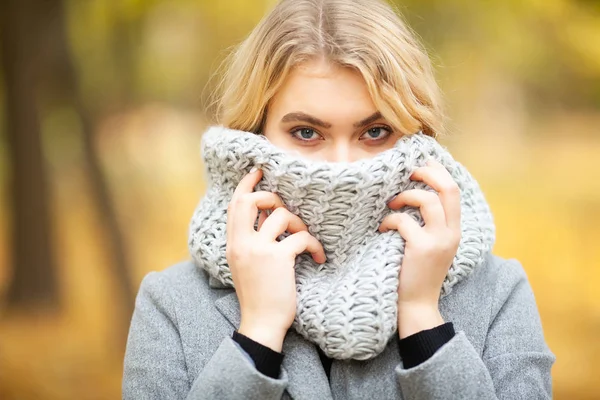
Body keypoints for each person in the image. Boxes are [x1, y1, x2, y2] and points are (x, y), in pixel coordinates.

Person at [122, 0, 555, 399]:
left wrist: (423, 317)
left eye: (375, 132)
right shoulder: (171, 304)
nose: (343, 167)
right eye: (307, 132)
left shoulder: (498, 292)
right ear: (253, 137)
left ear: (416, 137)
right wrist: (257, 333)